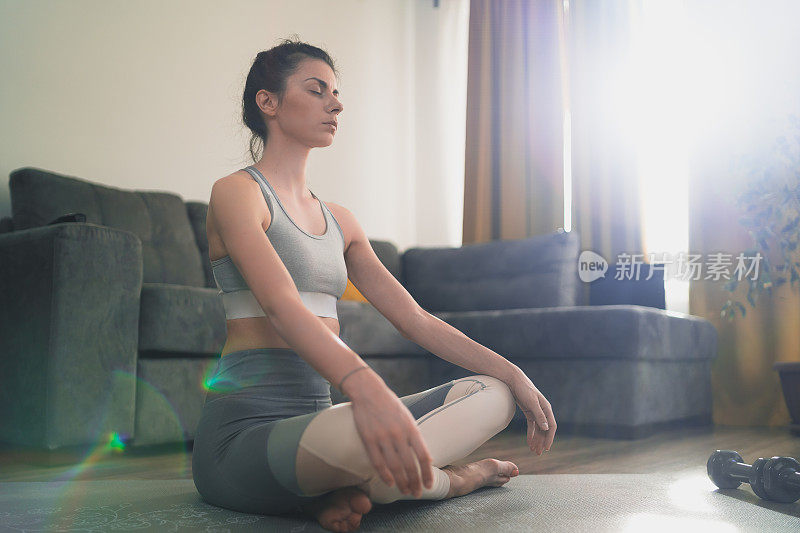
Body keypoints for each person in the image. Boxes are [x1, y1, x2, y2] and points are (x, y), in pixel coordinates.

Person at [191, 37, 557, 532]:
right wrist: (366, 387)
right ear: (268, 102)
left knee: (492, 394)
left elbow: (415, 319)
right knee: (367, 434)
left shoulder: (342, 222)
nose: (335, 103)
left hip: (325, 425)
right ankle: (454, 479)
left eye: (336, 93)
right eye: (317, 90)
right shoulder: (237, 193)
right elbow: (280, 305)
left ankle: (346, 487)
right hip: (243, 436)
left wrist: (515, 374)